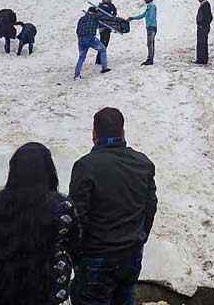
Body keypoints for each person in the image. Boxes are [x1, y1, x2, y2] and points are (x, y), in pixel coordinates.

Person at [69, 108, 157, 305]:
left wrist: (80, 256)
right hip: (131, 254)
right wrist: (139, 238)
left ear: (94, 134)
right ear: (122, 132)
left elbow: (77, 218)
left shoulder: (86, 166)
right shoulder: (143, 163)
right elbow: (150, 207)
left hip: (97, 256)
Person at [0, 142, 80, 305]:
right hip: (49, 285)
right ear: (48, 170)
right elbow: (73, 241)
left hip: (2, 284)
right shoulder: (62, 206)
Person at [75, 8, 110, 80]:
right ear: (93, 13)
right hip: (90, 38)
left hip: (81, 39)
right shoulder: (95, 17)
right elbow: (103, 17)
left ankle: (77, 75)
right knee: (102, 49)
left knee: (81, 57)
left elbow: (77, 30)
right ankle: (104, 68)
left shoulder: (81, 19)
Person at [128, 0, 157, 66]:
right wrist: (133, 18)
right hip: (151, 27)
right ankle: (150, 58)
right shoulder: (149, 7)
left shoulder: (152, 6)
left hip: (151, 27)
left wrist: (149, 25)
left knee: (150, 44)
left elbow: (151, 16)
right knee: (151, 43)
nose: (145, 0)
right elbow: (142, 15)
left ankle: (150, 59)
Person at [95, 0, 117, 65]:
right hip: (105, 27)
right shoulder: (105, 6)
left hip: (104, 27)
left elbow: (114, 13)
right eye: (110, 0)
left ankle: (99, 59)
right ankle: (99, 60)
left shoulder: (100, 6)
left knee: (103, 43)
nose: (111, 1)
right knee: (104, 43)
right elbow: (114, 13)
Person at [195, 0, 212, 65]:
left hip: (203, 28)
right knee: (202, 43)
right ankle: (202, 59)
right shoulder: (206, 5)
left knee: (201, 43)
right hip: (203, 27)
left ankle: (201, 59)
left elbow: (208, 17)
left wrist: (202, 24)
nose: (198, 0)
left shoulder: (205, 5)